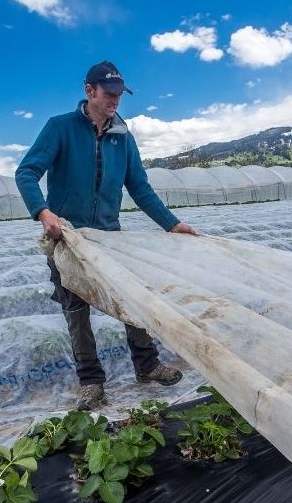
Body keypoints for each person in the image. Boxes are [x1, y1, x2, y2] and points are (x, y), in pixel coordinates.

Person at [16, 60, 198, 409]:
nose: (116, 100)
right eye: (109, 93)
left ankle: (147, 365)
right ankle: (91, 382)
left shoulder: (122, 137)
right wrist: (43, 212)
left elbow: (140, 188)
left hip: (109, 238)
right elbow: (26, 172)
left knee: (132, 300)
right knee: (76, 311)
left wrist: (172, 224)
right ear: (89, 91)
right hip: (68, 238)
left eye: (119, 94)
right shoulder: (60, 128)